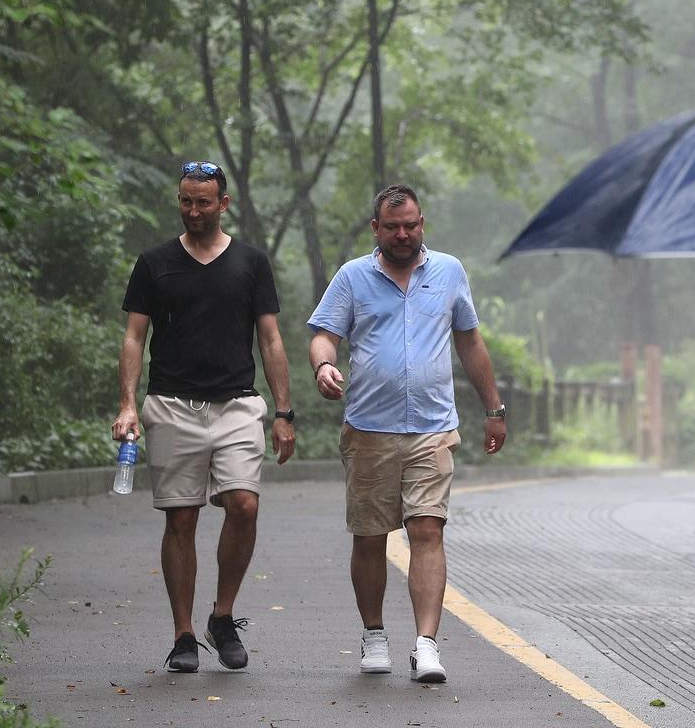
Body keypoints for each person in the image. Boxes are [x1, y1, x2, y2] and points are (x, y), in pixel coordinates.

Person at [306, 184, 507, 685]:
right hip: (369, 428)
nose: (403, 234)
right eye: (392, 226)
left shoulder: (449, 271)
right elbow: (324, 334)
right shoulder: (354, 277)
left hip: (433, 428)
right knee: (371, 536)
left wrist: (494, 408)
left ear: (423, 223)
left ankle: (426, 644)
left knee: (427, 528)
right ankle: (374, 634)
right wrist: (324, 366)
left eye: (411, 225)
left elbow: (470, 340)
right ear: (376, 228)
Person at [113, 161, 295, 674]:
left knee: (243, 505)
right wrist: (128, 404)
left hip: (237, 403)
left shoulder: (251, 263)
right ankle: (184, 634)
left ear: (223, 203)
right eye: (186, 201)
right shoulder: (155, 263)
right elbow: (134, 337)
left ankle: (222, 614)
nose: (193, 211)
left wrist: (284, 411)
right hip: (172, 405)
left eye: (203, 202)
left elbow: (271, 338)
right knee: (182, 517)